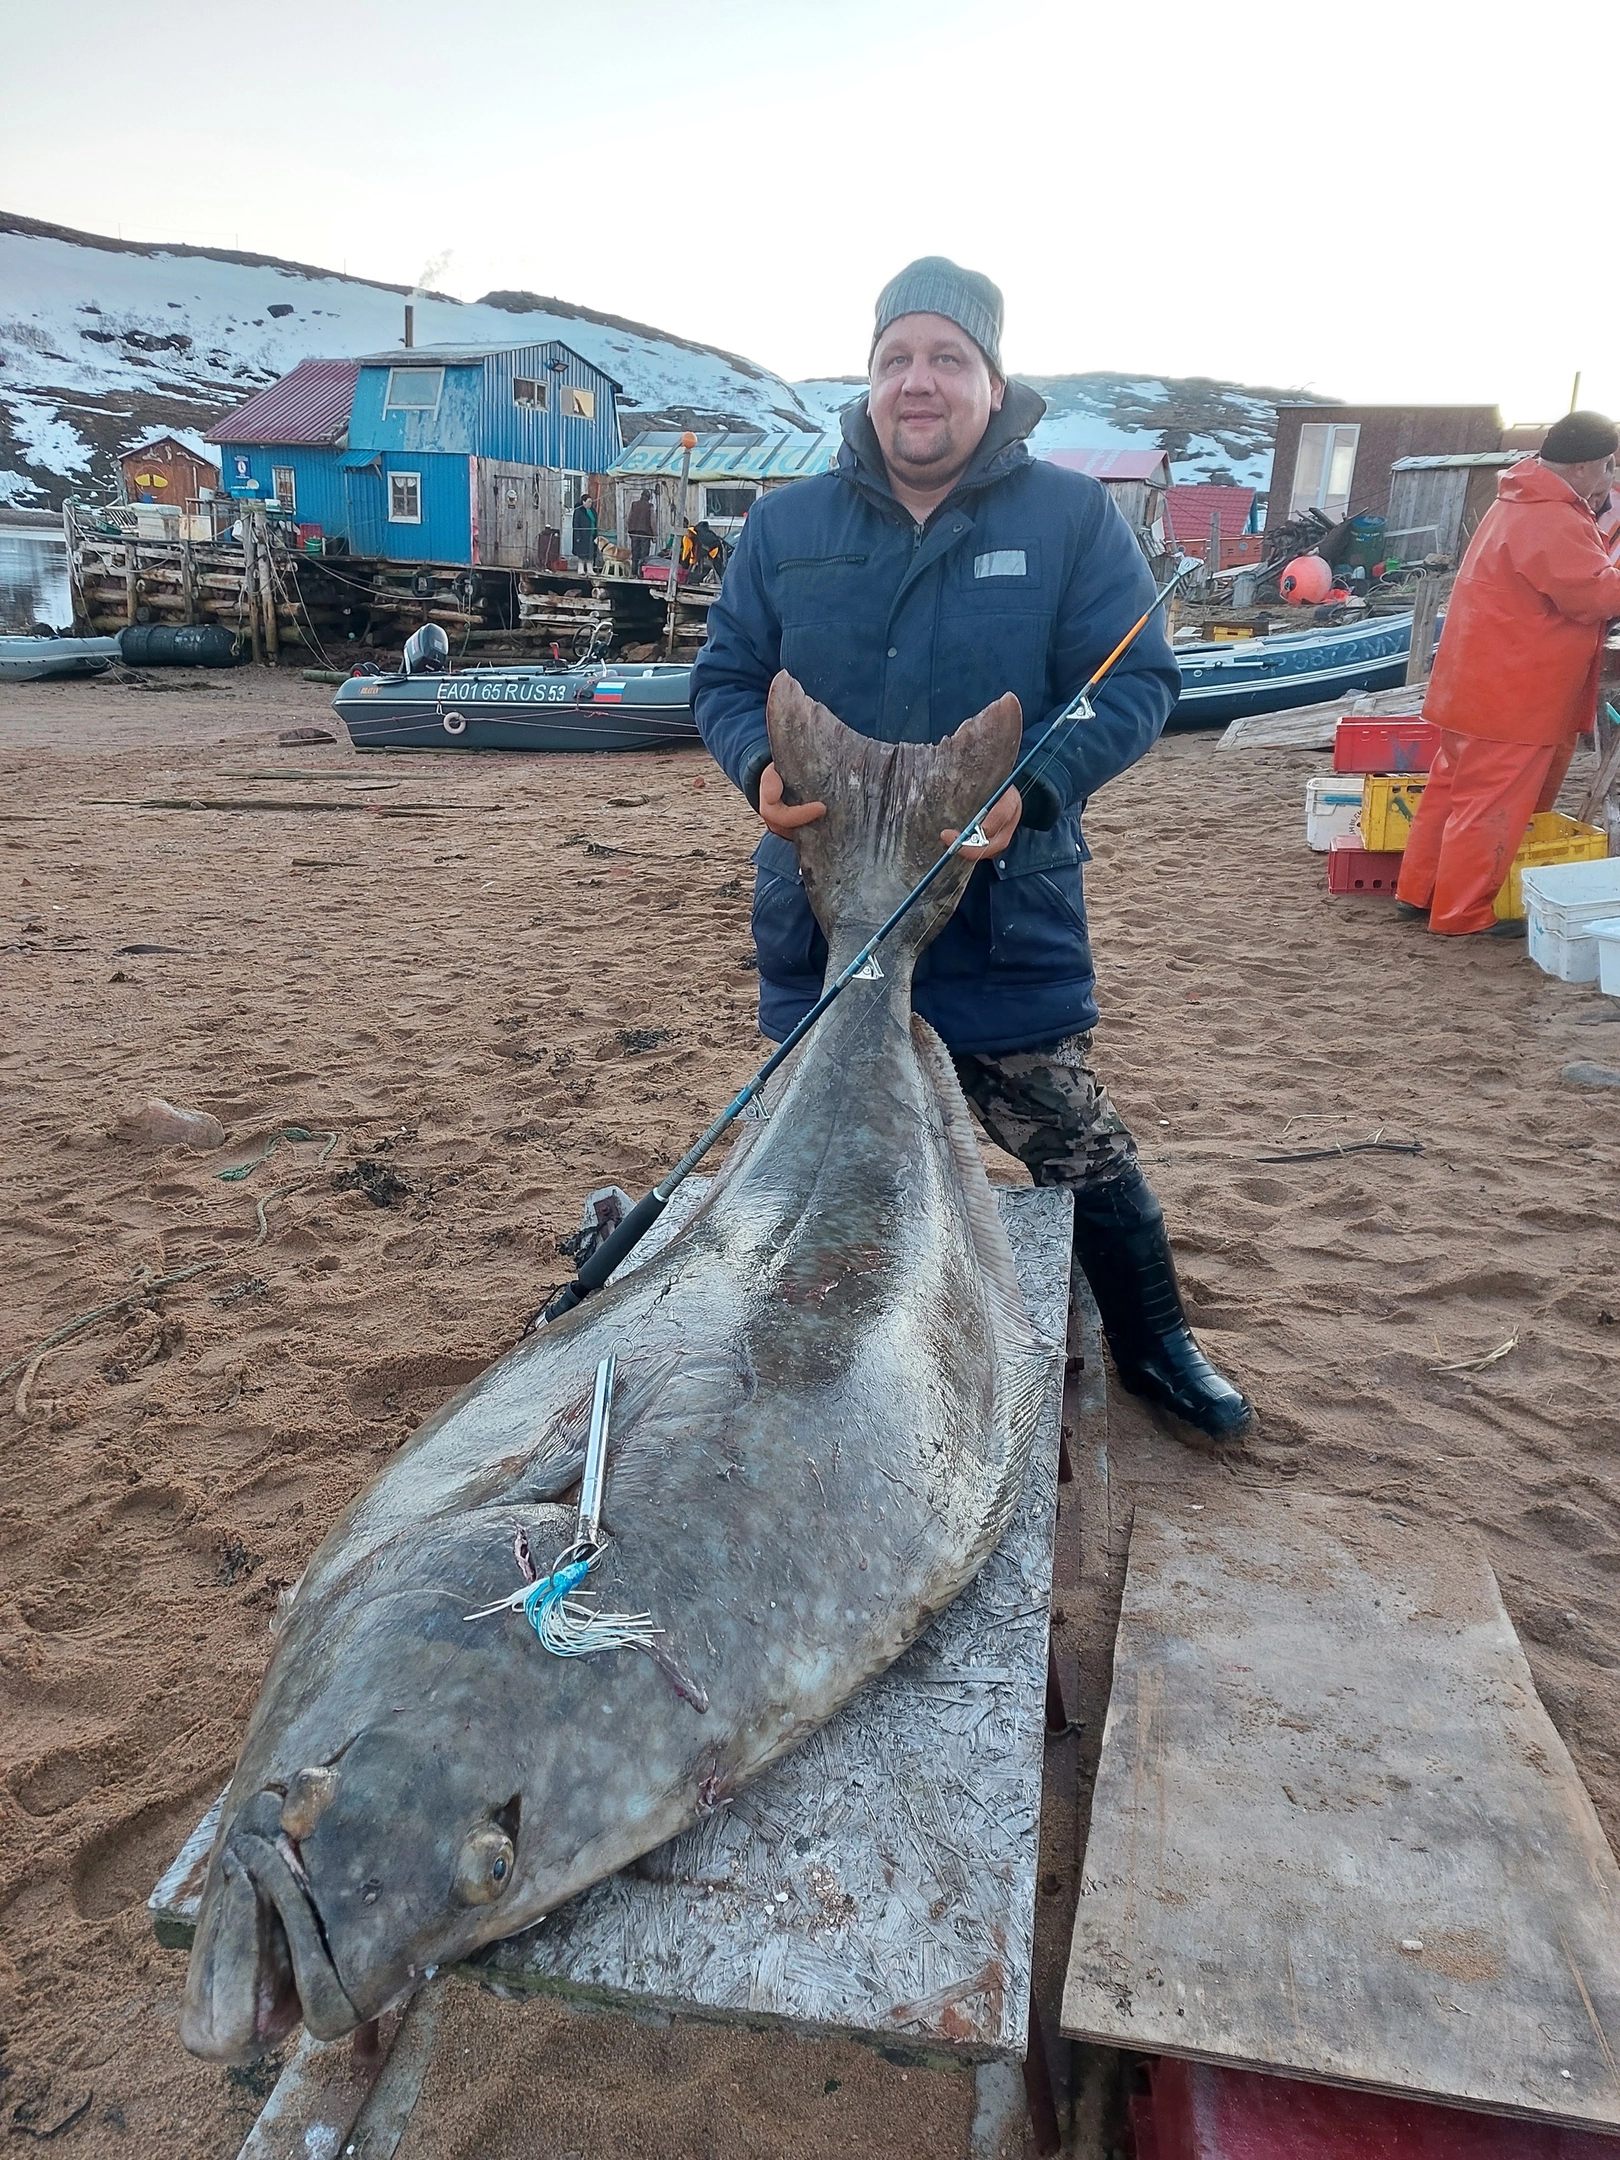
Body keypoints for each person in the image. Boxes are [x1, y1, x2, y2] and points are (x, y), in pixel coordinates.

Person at [692, 255, 1251, 1443]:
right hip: (831, 914)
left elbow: (1136, 680)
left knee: (1075, 1140)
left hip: (1002, 914)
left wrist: (1038, 787)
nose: (919, 382)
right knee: (808, 1156)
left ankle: (1158, 1343)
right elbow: (727, 678)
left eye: (948, 357)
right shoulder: (788, 523)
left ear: (994, 382)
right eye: (897, 357)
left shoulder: (1069, 516)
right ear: (870, 377)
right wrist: (759, 768)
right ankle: (813, 1365)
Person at [1396, 411, 1620, 937]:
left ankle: (1420, 892)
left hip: (1473, 684)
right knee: (1489, 808)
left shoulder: (1516, 498)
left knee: (1451, 792)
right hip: (1515, 692)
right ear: (1586, 466)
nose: (1611, 478)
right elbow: (1593, 595)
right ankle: (1463, 916)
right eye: (1609, 467)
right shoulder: (1552, 516)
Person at [628, 488, 656, 575]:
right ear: (648, 497)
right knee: (644, 555)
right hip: (645, 533)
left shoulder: (634, 504)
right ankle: (642, 573)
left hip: (634, 532)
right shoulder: (649, 506)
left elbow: (629, 519)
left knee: (635, 554)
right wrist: (654, 535)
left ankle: (633, 573)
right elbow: (652, 522)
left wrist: (630, 531)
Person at [570, 488, 598, 572]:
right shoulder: (579, 511)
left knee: (590, 553)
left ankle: (590, 569)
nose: (590, 504)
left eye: (591, 502)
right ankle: (581, 569)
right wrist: (577, 536)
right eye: (588, 502)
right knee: (582, 553)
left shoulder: (592, 511)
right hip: (582, 535)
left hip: (591, 534)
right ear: (583, 501)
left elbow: (594, 521)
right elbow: (576, 524)